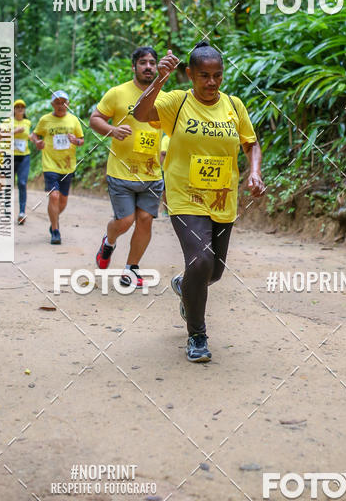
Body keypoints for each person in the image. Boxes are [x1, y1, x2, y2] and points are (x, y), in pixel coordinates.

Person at [134, 41, 265, 363]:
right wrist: (159, 79)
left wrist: (255, 173)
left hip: (223, 198)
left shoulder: (234, 105)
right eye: (204, 75)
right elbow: (140, 112)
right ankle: (197, 335)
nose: (211, 82)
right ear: (190, 74)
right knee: (201, 262)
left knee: (213, 272)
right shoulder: (176, 102)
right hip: (185, 196)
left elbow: (251, 143)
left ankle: (184, 286)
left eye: (217, 75)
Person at [89, 47, 165, 287]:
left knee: (145, 220)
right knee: (125, 221)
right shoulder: (117, 93)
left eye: (152, 62)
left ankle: (131, 269)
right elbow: (95, 119)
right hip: (121, 171)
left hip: (152, 173)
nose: (148, 67)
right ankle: (108, 242)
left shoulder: (164, 96)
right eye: (143, 62)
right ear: (134, 67)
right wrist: (112, 130)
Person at [31, 91, 84, 245]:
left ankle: (53, 220)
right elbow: (34, 135)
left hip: (68, 165)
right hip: (50, 164)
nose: (61, 105)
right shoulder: (45, 120)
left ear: (68, 104)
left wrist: (76, 141)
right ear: (52, 104)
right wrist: (37, 142)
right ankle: (55, 230)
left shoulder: (74, 120)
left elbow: (81, 141)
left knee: (62, 202)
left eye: (63, 102)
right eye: (57, 102)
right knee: (54, 196)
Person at [0, 99, 33, 225]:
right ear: (13, 109)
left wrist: (34, 140)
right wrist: (14, 132)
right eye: (17, 107)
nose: (20, 109)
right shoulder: (7, 122)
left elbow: (28, 136)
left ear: (24, 110)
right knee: (9, 184)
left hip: (24, 156)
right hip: (9, 156)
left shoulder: (28, 122)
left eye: (22, 107)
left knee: (22, 183)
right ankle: (7, 211)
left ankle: (22, 212)